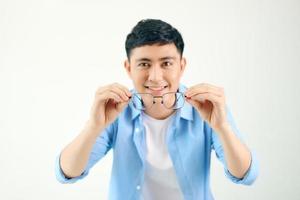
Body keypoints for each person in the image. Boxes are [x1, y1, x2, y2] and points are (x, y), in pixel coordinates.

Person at [55, 19, 258, 200]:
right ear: (128, 68)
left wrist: (223, 127)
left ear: (181, 65)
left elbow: (245, 174)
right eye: (144, 64)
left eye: (166, 63)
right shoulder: (115, 109)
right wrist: (93, 126)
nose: (155, 77)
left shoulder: (207, 107)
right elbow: (67, 172)